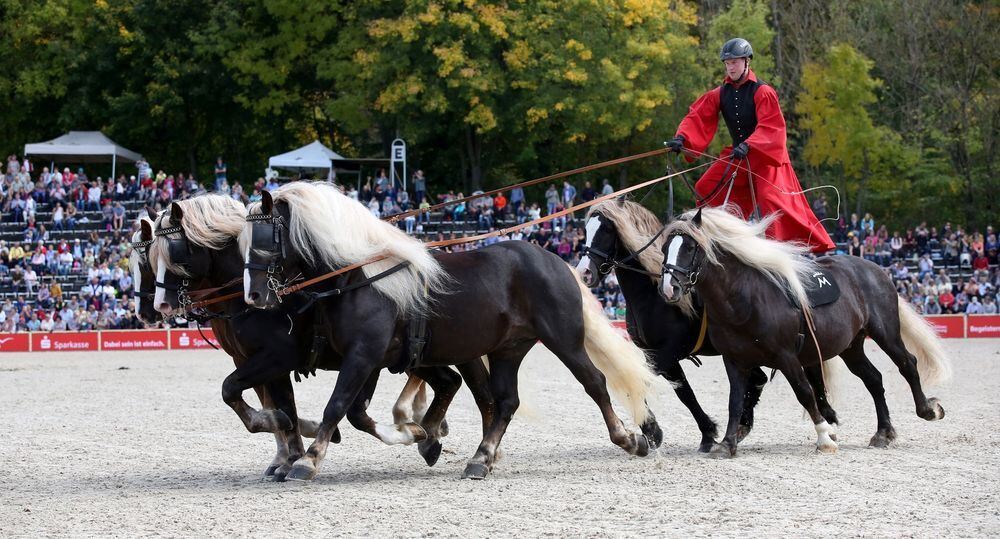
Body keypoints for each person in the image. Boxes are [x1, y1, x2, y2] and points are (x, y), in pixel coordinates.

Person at [665, 37, 835, 253]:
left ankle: (784, 251)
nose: (730, 67)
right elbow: (699, 116)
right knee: (705, 186)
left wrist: (750, 144)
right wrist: (682, 138)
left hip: (766, 157)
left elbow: (772, 127)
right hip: (739, 155)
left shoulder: (763, 92)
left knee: (770, 200)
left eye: (734, 62)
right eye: (727, 63)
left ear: (747, 62)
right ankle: (728, 236)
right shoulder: (720, 93)